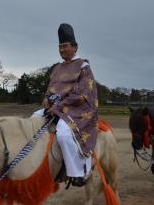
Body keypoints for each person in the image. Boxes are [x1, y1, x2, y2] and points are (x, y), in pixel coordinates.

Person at [33, 23, 98, 187]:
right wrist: (46, 101)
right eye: (59, 47)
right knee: (33, 119)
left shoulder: (84, 66)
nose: (62, 50)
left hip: (77, 109)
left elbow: (83, 94)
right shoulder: (56, 68)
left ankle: (78, 173)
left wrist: (57, 107)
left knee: (63, 133)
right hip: (55, 108)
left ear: (75, 47)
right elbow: (49, 91)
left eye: (65, 46)